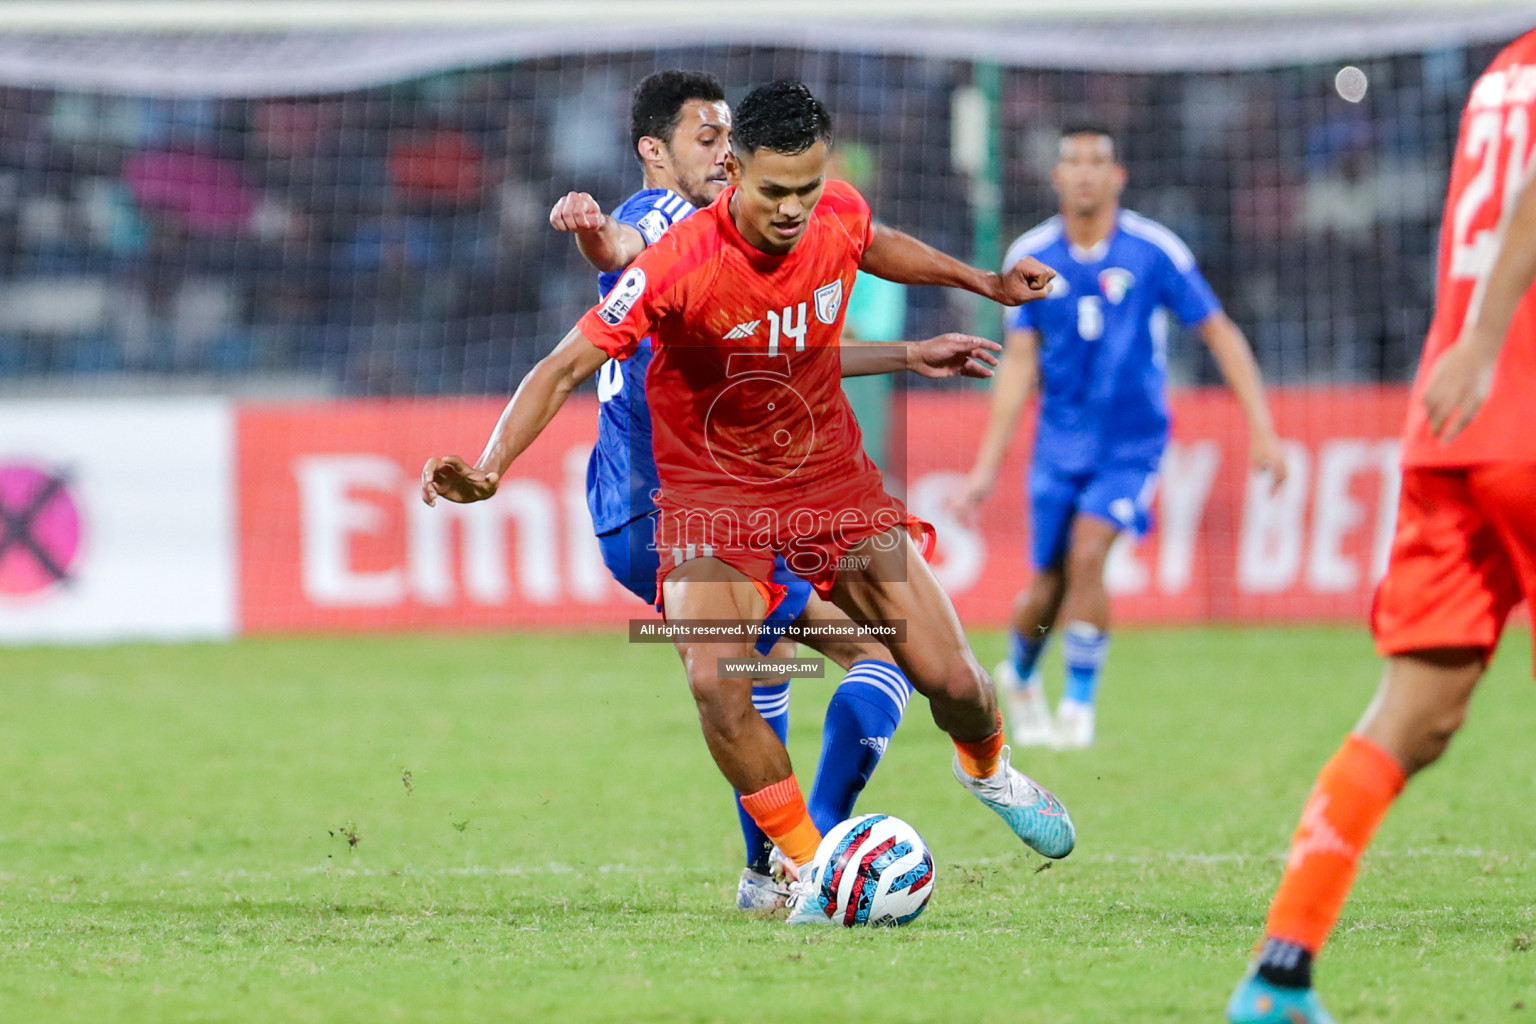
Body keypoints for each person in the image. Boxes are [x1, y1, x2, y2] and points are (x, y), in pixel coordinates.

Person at [423, 81, 1076, 925]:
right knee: (716, 680)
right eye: (774, 192)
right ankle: (808, 867)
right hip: (711, 500)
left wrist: (984, 282)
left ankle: (987, 769)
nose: (795, 210)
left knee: (952, 678)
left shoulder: (833, 210)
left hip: (829, 483)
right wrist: (489, 468)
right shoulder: (679, 262)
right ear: (733, 172)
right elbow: (561, 367)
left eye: (807, 189)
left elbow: (873, 242)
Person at [546, 70, 920, 911]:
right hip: (679, 505)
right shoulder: (668, 220)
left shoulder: (723, 240)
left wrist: (903, 353)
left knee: (766, 664)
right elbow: (623, 244)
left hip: (652, 502)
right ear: (654, 151)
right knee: (874, 658)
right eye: (706, 139)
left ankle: (773, 871)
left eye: (728, 137)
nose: (725, 153)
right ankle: (811, 859)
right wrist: (593, 234)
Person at [1227, 30, 1536, 1023]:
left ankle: (1280, 971)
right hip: (1514, 390)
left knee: (1416, 711)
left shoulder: (1503, 70)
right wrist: (1491, 340)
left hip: (1450, 422)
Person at [949, 124, 1286, 749]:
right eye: (1071, 160)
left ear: (1117, 175)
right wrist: (985, 467)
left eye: (1096, 160)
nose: (1083, 172)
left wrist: (1263, 431)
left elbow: (1220, 333)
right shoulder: (1031, 256)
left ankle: (1078, 705)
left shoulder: (1154, 251)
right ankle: (1019, 676)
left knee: (1088, 553)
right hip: (1059, 443)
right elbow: (1019, 364)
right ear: (1056, 176)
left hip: (1132, 445)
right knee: (1047, 582)